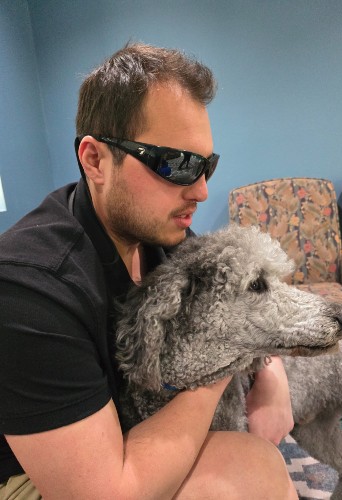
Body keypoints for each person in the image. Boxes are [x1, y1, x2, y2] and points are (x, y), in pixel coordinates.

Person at [0, 42, 297, 499]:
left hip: (126, 430)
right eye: (176, 164)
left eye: (206, 165)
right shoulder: (28, 288)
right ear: (95, 160)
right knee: (245, 468)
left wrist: (272, 377)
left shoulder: (169, 242)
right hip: (37, 475)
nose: (199, 190)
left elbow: (246, 303)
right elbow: (106, 492)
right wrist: (227, 360)